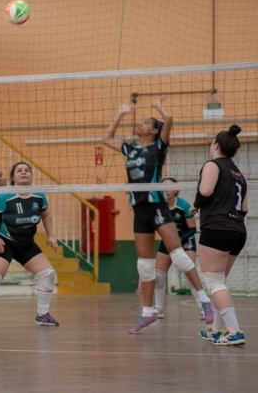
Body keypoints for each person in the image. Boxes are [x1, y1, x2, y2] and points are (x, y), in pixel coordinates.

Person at [103, 95, 213, 334]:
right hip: (139, 210)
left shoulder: (159, 147)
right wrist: (120, 114)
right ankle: (148, 312)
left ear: (153, 130)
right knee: (145, 265)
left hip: (157, 208)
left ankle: (204, 300)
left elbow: (169, 120)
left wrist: (159, 108)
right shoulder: (130, 149)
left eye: (145, 122)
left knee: (180, 256)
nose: (139, 125)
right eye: (140, 121)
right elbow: (106, 138)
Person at [0, 161, 59, 329]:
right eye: (19, 170)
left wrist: (50, 235)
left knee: (48, 274)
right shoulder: (4, 197)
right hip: (4, 243)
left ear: (30, 175)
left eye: (26, 170)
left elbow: (46, 215)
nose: (23, 172)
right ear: (13, 177)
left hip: (26, 244)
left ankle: (42, 315)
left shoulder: (39, 196)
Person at [195, 125, 247, 346]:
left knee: (213, 281)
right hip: (238, 231)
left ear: (216, 145)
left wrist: (196, 206)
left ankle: (234, 331)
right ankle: (216, 330)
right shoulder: (239, 174)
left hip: (217, 228)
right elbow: (244, 208)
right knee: (219, 282)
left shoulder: (213, 165)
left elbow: (205, 191)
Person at [153, 178, 206, 320]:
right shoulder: (158, 207)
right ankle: (157, 309)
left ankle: (203, 307)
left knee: (190, 273)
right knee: (158, 276)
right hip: (167, 241)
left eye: (169, 186)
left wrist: (177, 241)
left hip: (185, 240)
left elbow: (192, 229)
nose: (165, 189)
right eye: (163, 186)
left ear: (176, 190)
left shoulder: (183, 205)